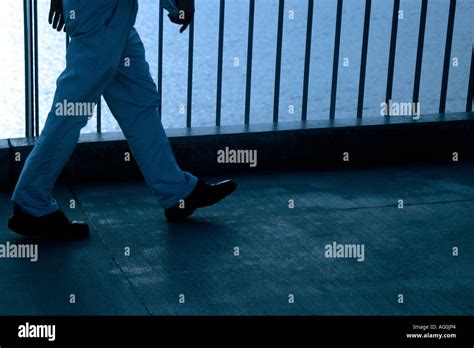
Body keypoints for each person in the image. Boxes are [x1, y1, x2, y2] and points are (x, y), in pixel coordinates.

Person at [7, 0, 237, 239]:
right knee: (71, 112)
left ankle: (177, 192)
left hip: (109, 17)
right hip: (104, 16)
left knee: (137, 102)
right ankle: (31, 202)